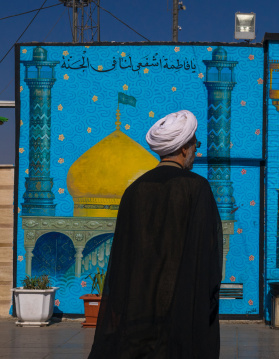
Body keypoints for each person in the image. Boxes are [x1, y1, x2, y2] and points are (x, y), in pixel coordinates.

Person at [88, 110, 223, 359]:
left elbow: (122, 258)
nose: (196, 151)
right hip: (180, 313)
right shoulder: (196, 187)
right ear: (184, 148)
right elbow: (207, 254)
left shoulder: (134, 190)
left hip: (137, 314)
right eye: (196, 145)